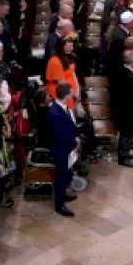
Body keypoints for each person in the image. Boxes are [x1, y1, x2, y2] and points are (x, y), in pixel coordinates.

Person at [47, 83, 79, 217]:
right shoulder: (55, 113)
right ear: (66, 95)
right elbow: (61, 135)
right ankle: (59, 206)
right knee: (61, 176)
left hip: (66, 146)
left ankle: (63, 195)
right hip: (60, 148)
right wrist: (75, 143)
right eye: (71, 93)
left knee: (66, 174)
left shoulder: (62, 108)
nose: (73, 95)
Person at [112, 50, 133, 168]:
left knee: (128, 130)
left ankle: (127, 149)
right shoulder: (128, 76)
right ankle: (123, 157)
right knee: (125, 132)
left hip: (125, 107)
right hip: (126, 109)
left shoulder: (123, 70)